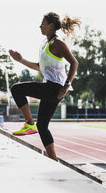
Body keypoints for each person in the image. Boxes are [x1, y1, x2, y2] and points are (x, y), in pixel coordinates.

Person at [9, 12, 80, 161]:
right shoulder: (44, 44)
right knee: (42, 126)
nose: (40, 26)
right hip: (50, 88)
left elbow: (74, 63)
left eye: (43, 23)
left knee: (16, 89)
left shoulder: (58, 44)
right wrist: (21, 60)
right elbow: (40, 67)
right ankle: (54, 160)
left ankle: (29, 123)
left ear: (51, 26)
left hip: (55, 88)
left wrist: (67, 85)